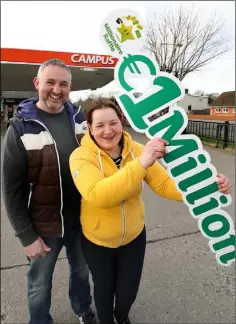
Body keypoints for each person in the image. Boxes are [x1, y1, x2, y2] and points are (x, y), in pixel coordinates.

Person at [69, 98, 232, 324]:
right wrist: (142, 163)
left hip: (134, 237)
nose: (108, 131)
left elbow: (164, 185)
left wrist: (207, 186)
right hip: (98, 241)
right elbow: (98, 194)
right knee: (104, 290)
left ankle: (122, 316)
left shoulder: (136, 150)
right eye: (99, 125)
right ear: (90, 128)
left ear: (122, 122)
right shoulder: (80, 156)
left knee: (127, 293)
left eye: (113, 123)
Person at [2, 59, 96, 324]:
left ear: (70, 87)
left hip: (82, 220)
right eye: (50, 82)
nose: (57, 90)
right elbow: (11, 189)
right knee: (39, 282)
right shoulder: (21, 128)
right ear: (37, 84)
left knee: (81, 272)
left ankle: (82, 309)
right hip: (43, 224)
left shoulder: (81, 120)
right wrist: (26, 236)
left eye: (63, 84)